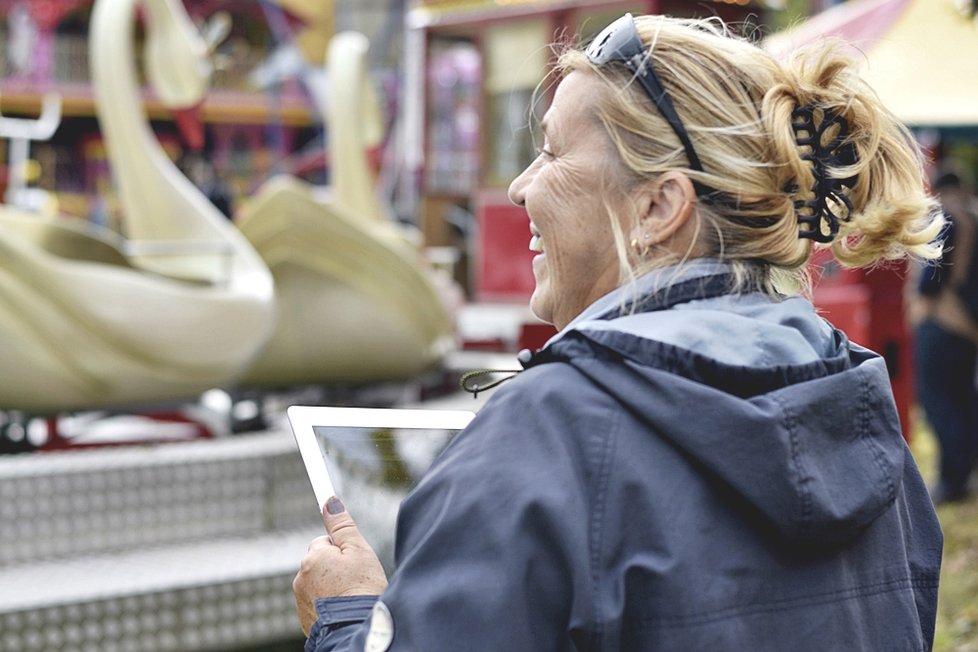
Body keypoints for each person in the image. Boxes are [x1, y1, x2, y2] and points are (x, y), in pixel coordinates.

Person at [293, 13, 944, 651]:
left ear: (658, 207)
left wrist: (347, 617)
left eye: (550, 152)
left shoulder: (547, 432)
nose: (521, 186)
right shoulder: (858, 412)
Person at [909, 165, 978, 504]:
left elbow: (930, 277)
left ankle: (952, 479)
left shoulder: (947, 218)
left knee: (938, 401)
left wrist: (920, 308)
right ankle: (965, 470)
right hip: (970, 327)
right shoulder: (974, 215)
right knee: (965, 398)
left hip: (943, 321)